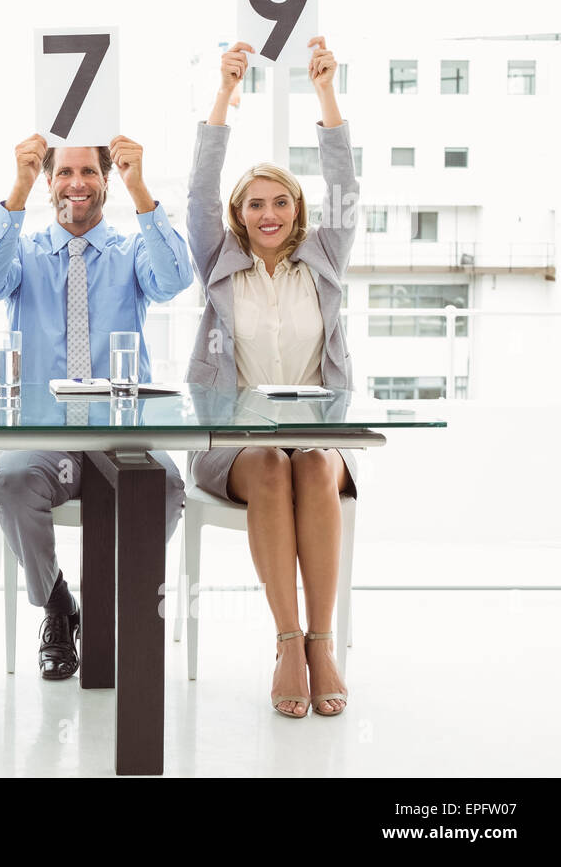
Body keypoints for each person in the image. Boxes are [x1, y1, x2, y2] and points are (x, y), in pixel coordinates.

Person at [0, 133, 192, 680]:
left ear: (105, 180)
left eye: (88, 173)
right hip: (46, 436)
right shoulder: (23, 249)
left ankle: (104, 603)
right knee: (12, 482)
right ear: (49, 181)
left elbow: (175, 281)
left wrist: (142, 189)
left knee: (164, 486)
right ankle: (58, 606)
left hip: (119, 433)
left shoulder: (131, 249)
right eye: (63, 173)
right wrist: (17, 188)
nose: (76, 184)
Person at [185, 37, 357, 718]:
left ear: (297, 211)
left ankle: (321, 644)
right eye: (254, 204)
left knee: (311, 464)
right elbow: (199, 189)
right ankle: (287, 643)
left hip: (316, 437)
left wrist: (324, 93)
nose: (267, 215)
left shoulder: (325, 258)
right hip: (236, 443)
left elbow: (344, 183)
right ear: (238, 215)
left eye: (279, 203)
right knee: (268, 461)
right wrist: (224, 93)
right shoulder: (218, 262)